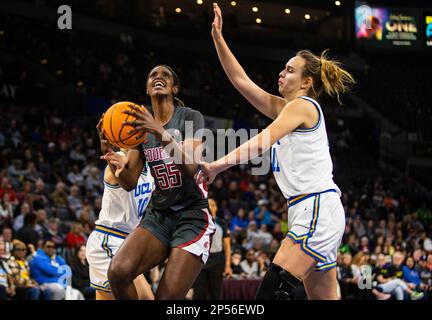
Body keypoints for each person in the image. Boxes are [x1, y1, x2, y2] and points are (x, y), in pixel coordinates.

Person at [196, 3, 355, 300]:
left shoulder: (303, 106)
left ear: (307, 82)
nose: (281, 73)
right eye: (283, 68)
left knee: (269, 296)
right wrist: (218, 38)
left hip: (315, 207)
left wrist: (217, 165)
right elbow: (241, 82)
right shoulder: (287, 109)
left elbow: (260, 142)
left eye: (290, 70)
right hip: (311, 209)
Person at [101, 64, 215, 300]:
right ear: (147, 87)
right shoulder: (140, 129)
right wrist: (111, 154)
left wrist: (159, 131)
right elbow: (129, 181)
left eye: (165, 75)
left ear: (175, 88)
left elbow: (191, 166)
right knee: (118, 273)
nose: (158, 77)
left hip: (192, 216)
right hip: (159, 215)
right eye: (153, 75)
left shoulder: (190, 117)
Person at [86, 141, 155, 300]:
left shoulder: (149, 169)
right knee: (146, 298)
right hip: (109, 240)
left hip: (127, 242)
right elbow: (119, 176)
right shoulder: (117, 165)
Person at [193, 198, 232, 300]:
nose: (210, 206)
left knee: (216, 292)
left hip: (217, 259)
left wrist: (228, 265)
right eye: (208, 204)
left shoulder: (222, 223)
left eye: (213, 204)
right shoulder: (198, 221)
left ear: (216, 208)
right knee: (198, 292)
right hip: (200, 259)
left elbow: (227, 246)